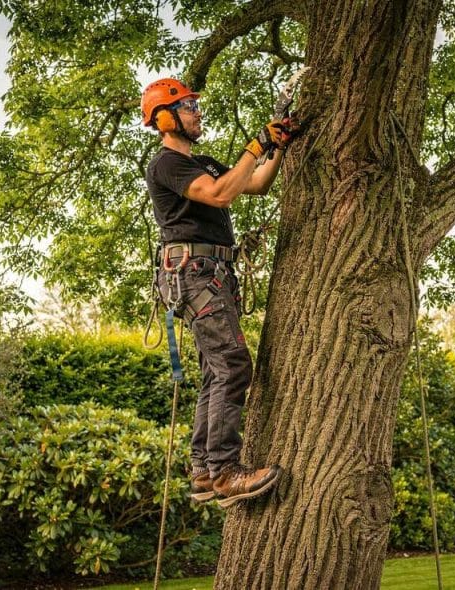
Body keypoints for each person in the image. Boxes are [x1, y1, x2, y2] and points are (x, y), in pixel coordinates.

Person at [141, 78, 296, 508]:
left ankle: (204, 470)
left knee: (216, 370)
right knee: (232, 364)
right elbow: (221, 194)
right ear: (164, 118)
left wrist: (277, 144)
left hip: (209, 272)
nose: (197, 112)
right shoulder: (166, 165)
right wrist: (255, 143)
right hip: (194, 273)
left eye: (195, 105)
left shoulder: (204, 162)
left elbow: (257, 183)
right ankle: (226, 470)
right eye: (188, 106)